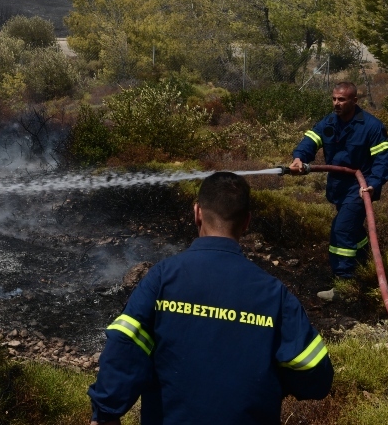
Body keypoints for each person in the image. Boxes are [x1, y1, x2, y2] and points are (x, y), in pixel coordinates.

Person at [88, 172, 333, 425]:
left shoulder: (162, 278)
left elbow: (125, 345)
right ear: (247, 222)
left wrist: (107, 411)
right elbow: (317, 377)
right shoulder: (275, 294)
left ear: (197, 213)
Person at [289, 81, 388, 301]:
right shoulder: (329, 122)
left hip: (360, 189)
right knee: (353, 230)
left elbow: (383, 160)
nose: (336, 103)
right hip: (338, 187)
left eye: (342, 99)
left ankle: (345, 285)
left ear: (354, 101)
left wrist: (372, 184)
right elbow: (311, 140)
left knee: (341, 230)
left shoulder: (372, 127)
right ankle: (365, 265)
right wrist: (299, 157)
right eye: (334, 99)